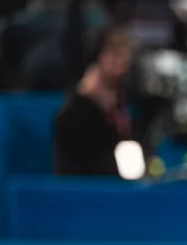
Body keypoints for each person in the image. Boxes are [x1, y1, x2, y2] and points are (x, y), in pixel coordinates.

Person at [53, 25, 133, 176]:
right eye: (115, 54)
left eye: (124, 55)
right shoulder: (75, 112)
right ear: (100, 57)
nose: (122, 61)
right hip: (83, 187)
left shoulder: (124, 101)